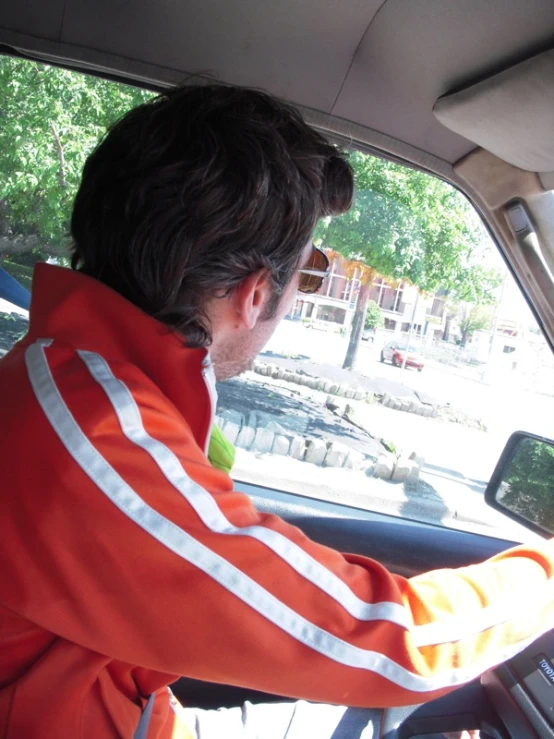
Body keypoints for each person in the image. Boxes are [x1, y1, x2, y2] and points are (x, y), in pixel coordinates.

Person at [0, 84, 553, 739]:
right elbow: (382, 640)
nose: (303, 287)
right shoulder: (92, 442)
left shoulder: (74, 385)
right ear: (255, 294)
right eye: (311, 269)